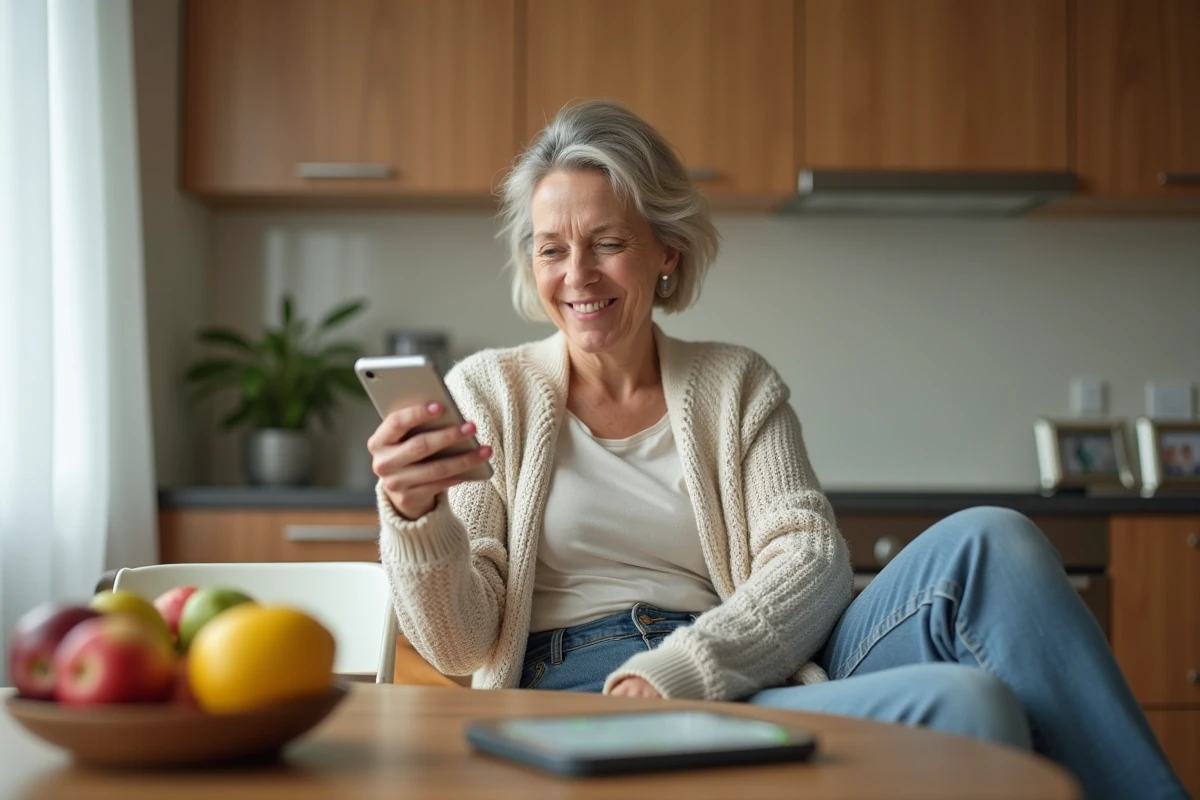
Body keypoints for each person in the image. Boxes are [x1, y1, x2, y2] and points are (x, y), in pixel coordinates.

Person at [368, 100, 1186, 799]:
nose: (576, 272)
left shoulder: (734, 383)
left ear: (665, 253)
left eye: (607, 242)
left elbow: (811, 559)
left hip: (740, 661)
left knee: (995, 539)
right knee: (967, 705)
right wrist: (416, 518)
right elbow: (461, 642)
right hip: (585, 687)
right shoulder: (488, 391)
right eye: (551, 247)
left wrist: (687, 665)